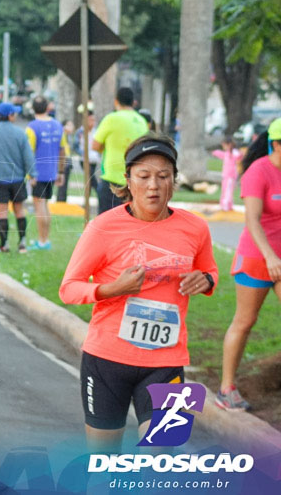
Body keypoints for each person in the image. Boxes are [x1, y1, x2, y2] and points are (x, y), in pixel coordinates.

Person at [59, 133, 216, 451]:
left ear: (174, 180)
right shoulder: (103, 227)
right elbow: (69, 288)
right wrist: (110, 289)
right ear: (128, 181)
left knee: (164, 456)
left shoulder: (195, 228)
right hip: (107, 362)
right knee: (102, 463)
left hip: (167, 362)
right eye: (144, 176)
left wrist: (207, 281)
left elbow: (209, 271)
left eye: (163, 176)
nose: (154, 186)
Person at [217, 124, 281, 411]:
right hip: (257, 257)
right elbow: (252, 220)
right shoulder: (259, 171)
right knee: (245, 321)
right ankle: (226, 388)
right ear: (276, 144)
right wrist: (270, 257)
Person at [0, 102, 35, 253]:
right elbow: (28, 156)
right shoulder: (20, 133)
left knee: (2, 213)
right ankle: (22, 243)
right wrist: (33, 174)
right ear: (10, 115)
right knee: (19, 211)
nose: (15, 116)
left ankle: (4, 245)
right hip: (17, 179)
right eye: (14, 113)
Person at [93, 87, 148, 214]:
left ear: (116, 101)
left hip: (112, 179)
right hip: (135, 180)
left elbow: (95, 145)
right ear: (133, 102)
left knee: (106, 222)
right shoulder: (142, 121)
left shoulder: (112, 119)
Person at [26, 96, 65, 250]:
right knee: (45, 205)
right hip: (51, 171)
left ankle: (42, 242)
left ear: (33, 109)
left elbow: (29, 152)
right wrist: (61, 171)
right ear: (48, 107)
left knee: (39, 205)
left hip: (38, 172)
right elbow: (62, 150)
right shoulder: (57, 125)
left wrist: (30, 174)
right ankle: (45, 240)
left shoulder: (32, 127)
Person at [212, 135, 241, 212]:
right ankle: (225, 205)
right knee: (225, 190)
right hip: (226, 176)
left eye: (224, 145)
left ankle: (226, 206)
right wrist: (215, 152)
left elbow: (239, 157)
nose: (223, 147)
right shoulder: (228, 153)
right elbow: (221, 154)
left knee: (228, 191)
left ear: (229, 145)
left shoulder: (234, 153)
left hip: (231, 176)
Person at [57, 119, 75, 203]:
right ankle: (60, 200)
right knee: (62, 183)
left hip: (68, 159)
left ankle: (63, 199)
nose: (71, 127)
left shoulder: (69, 136)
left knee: (65, 182)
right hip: (63, 160)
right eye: (69, 125)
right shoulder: (62, 134)